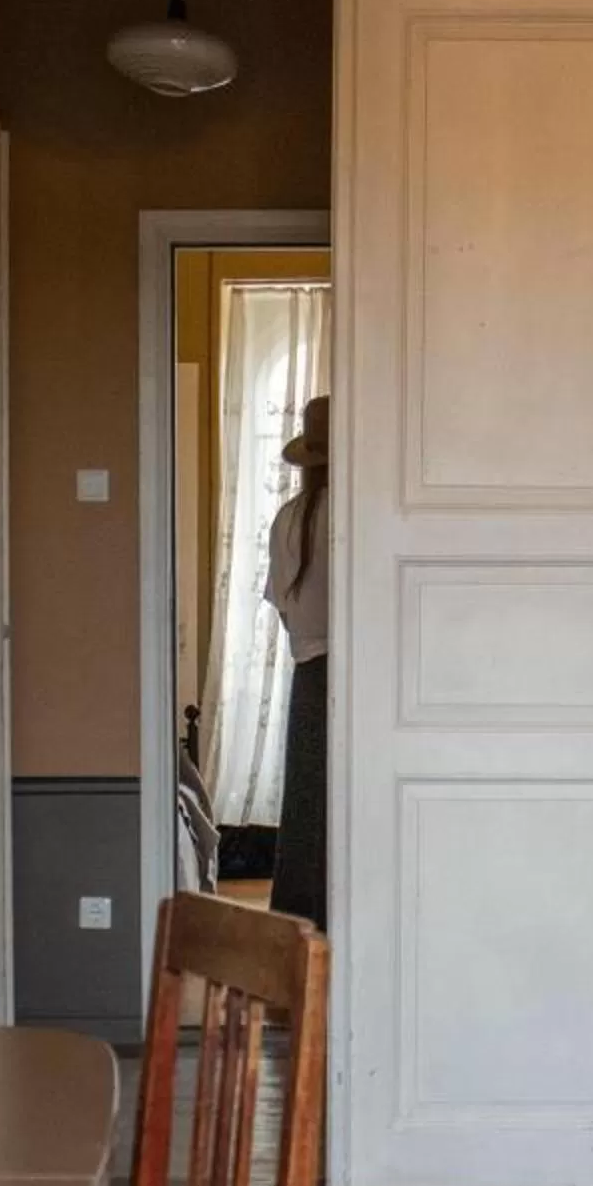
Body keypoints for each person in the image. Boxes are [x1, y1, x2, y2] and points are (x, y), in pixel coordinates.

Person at [265, 396, 328, 929]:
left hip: (311, 672)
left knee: (306, 800)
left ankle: (297, 922)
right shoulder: (362, 518)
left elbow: (286, 612)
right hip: (361, 674)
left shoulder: (288, 519)